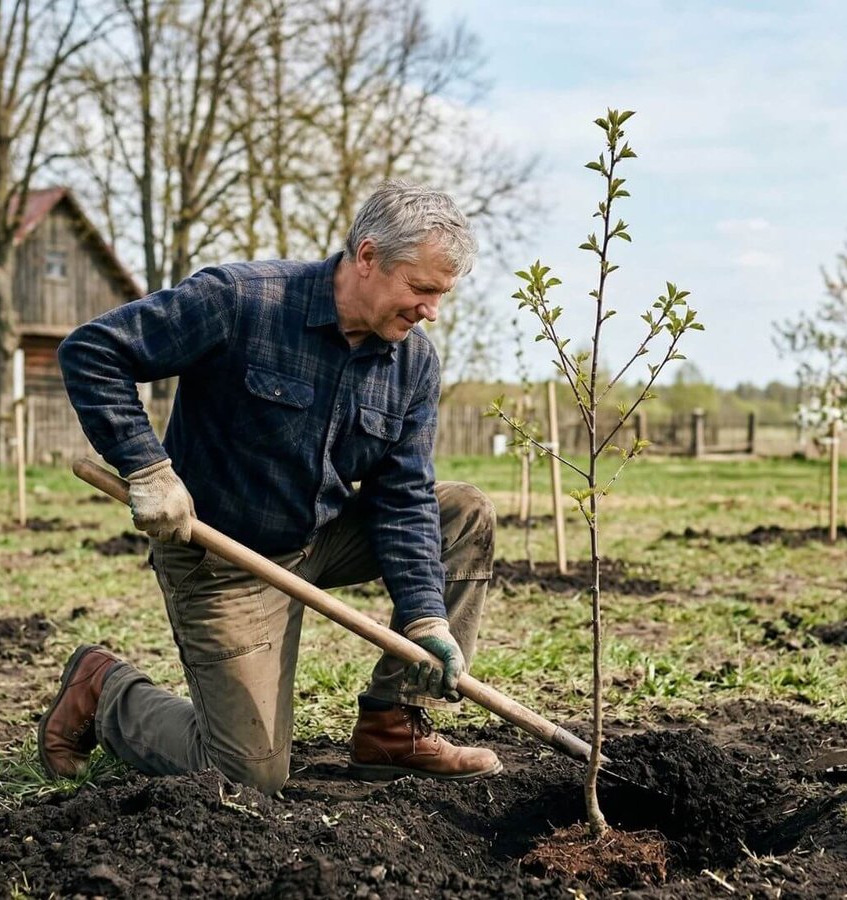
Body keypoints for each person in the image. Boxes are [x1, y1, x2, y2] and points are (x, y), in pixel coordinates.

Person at [39, 181, 501, 794]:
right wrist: (147, 466)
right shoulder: (242, 301)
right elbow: (94, 352)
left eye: (442, 294)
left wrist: (425, 618)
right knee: (247, 775)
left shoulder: (412, 363)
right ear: (368, 257)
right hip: (222, 557)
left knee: (462, 512)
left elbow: (404, 496)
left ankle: (393, 726)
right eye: (421, 288)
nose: (431, 311)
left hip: (319, 537)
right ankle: (105, 690)